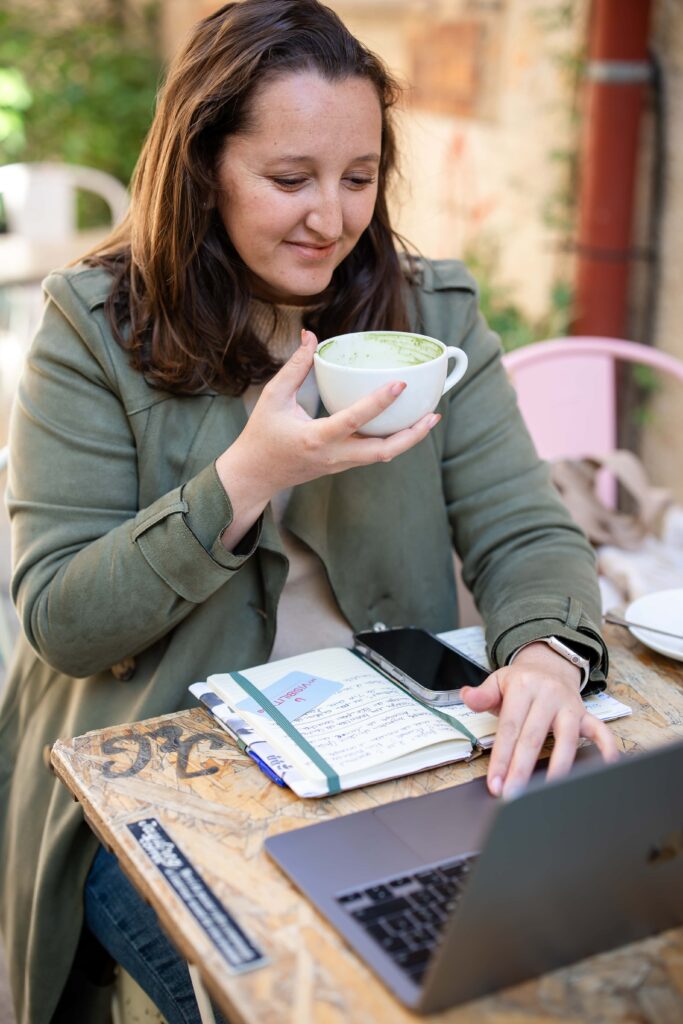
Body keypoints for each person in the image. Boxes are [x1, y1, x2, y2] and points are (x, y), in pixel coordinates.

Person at [0, 1, 619, 1022]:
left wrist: (549, 656)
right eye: (289, 179)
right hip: (156, 778)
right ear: (203, 169)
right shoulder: (93, 328)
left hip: (391, 749)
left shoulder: (427, 316)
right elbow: (62, 620)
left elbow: (524, 528)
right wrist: (243, 478)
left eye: (358, 178)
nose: (331, 219)